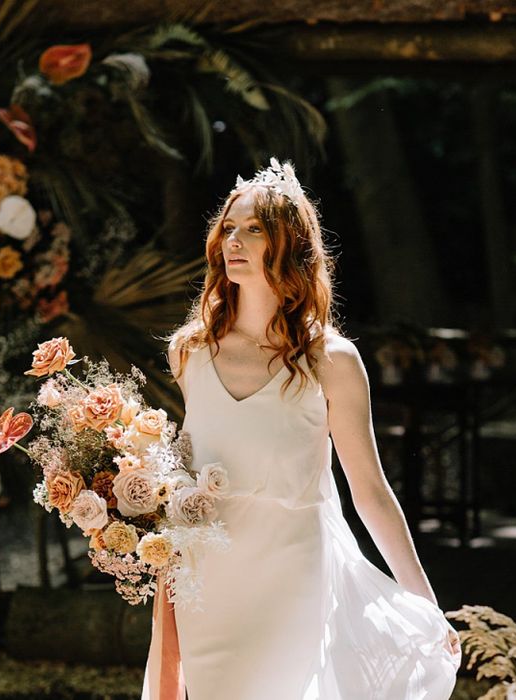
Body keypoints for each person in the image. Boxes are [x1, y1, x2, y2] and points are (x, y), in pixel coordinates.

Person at [142, 158, 462, 700]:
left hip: (291, 572)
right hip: (204, 578)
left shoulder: (331, 360)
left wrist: (425, 604)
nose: (233, 241)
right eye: (228, 229)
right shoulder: (191, 352)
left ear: (288, 245)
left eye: (254, 229)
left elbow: (370, 491)